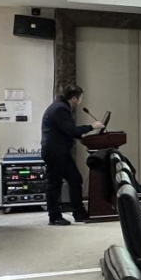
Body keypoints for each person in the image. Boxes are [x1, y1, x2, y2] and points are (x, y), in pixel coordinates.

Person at [40, 84, 102, 226]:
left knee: (75, 179)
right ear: (74, 98)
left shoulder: (60, 106)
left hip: (60, 151)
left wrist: (82, 134)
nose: (80, 102)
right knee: (54, 184)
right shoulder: (60, 109)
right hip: (55, 152)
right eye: (80, 98)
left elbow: (67, 130)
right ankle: (54, 217)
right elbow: (71, 130)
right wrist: (92, 127)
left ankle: (79, 213)